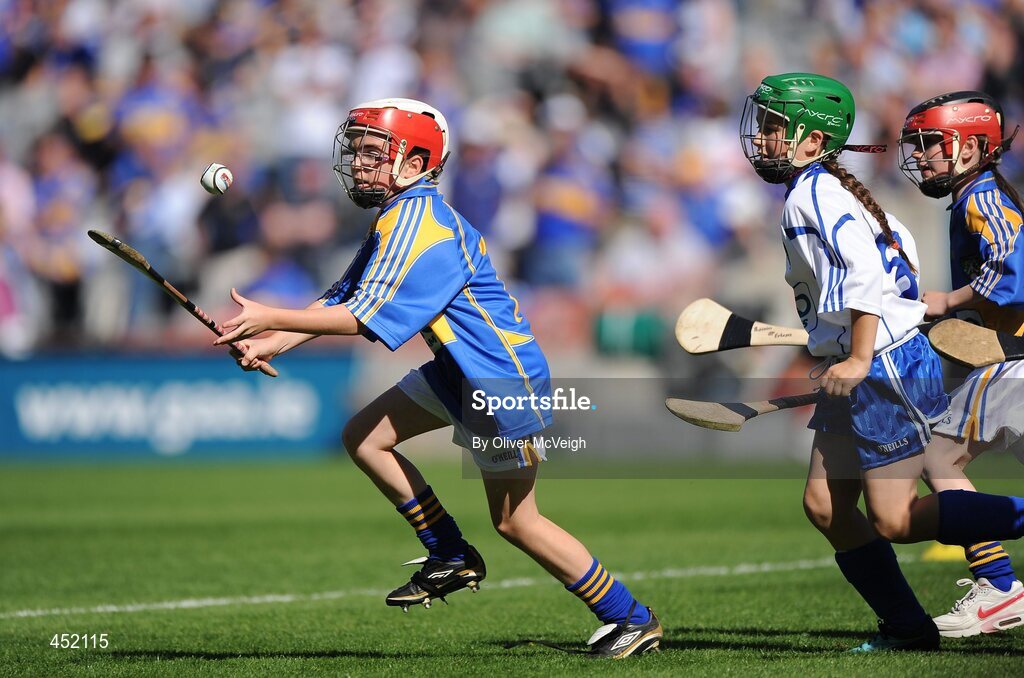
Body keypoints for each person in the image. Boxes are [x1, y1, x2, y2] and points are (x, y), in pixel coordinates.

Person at [213, 98, 662, 658]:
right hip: (457, 372)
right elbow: (341, 298)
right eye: (356, 150)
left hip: (499, 385)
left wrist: (273, 315)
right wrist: (268, 341)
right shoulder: (397, 215)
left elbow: (363, 318)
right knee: (364, 437)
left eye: (374, 152)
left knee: (517, 521)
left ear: (417, 162)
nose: (358, 162)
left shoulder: (422, 224)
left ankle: (630, 617)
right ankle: (448, 551)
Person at [898, 91, 1024, 638]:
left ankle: (998, 587)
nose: (921, 156)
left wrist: (948, 302)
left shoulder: (984, 199)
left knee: (936, 457)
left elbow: (1015, 270)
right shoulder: (973, 197)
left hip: (1010, 361)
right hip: (1004, 357)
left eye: (931, 144)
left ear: (971, 148)